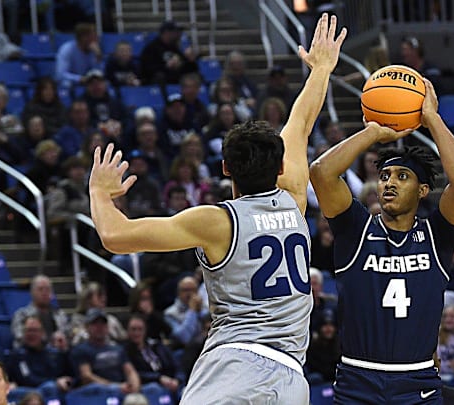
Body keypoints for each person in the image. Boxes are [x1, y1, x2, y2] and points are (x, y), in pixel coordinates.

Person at [89, 14, 345, 404]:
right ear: (280, 167)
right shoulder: (294, 200)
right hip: (293, 377)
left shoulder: (217, 221)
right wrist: (322, 69)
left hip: (235, 364)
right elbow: (301, 121)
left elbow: (115, 236)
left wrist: (98, 192)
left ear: (225, 168)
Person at [309, 73, 454, 404]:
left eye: (402, 176)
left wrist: (432, 119)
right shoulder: (355, 228)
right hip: (358, 379)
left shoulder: (437, 235)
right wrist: (373, 130)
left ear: (423, 190)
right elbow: (321, 172)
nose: (389, 183)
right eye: (384, 176)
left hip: (418, 381)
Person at [10, 275, 69, 347]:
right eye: (40, 289)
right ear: (32, 292)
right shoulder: (21, 314)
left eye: (47, 289)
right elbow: (19, 336)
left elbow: (66, 335)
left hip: (56, 353)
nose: (44, 293)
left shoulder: (60, 314)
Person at [139, 21, 198, 85]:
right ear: (166, 33)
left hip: (177, 80)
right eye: (176, 32)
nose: (179, 34)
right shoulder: (151, 48)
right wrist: (167, 66)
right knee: (160, 77)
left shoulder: (176, 48)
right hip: (158, 83)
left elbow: (188, 69)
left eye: (180, 32)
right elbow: (147, 71)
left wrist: (191, 61)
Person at [55, 23, 103, 87]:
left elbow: (99, 74)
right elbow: (60, 75)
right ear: (83, 37)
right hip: (72, 84)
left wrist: (98, 56)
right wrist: (79, 78)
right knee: (66, 83)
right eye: (93, 36)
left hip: (88, 84)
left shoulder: (94, 50)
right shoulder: (67, 49)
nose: (96, 39)